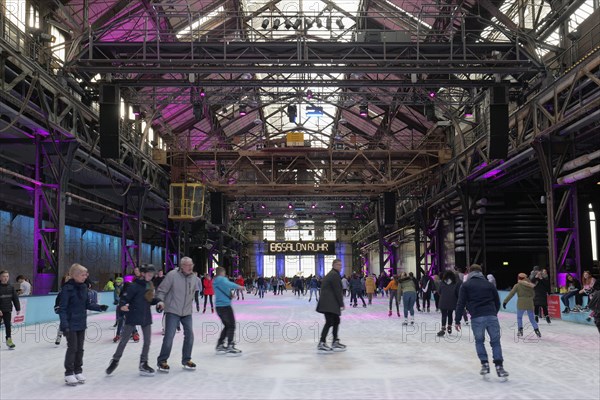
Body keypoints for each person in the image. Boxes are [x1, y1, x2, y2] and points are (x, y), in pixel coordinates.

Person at [58, 263, 109, 385]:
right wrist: (64, 325)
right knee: (72, 348)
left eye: (86, 275)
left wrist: (99, 307)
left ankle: (78, 370)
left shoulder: (84, 288)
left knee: (80, 349)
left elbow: (87, 304)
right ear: (75, 275)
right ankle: (69, 373)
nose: (85, 277)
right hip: (70, 324)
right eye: (83, 275)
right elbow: (62, 309)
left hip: (81, 322)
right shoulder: (67, 289)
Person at [454, 264, 508, 379]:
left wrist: (457, 320)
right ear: (481, 272)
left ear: (469, 272)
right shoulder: (489, 284)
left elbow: (460, 303)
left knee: (479, 341)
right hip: (491, 316)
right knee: (495, 342)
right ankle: (499, 366)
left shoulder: (466, 285)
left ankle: (485, 365)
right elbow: (497, 301)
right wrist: (493, 313)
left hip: (477, 317)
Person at [106, 264, 160, 376]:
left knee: (147, 341)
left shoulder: (149, 285)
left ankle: (143, 363)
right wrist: (122, 306)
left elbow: (150, 300)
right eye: (149, 274)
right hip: (133, 315)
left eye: (152, 275)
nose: (151, 276)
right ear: (143, 274)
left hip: (145, 315)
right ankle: (115, 360)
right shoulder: (134, 286)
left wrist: (159, 301)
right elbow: (124, 298)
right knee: (124, 340)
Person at [155, 256, 197, 372]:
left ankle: (186, 359)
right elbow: (162, 290)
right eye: (188, 265)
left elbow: (192, 293)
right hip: (173, 310)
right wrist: (160, 301)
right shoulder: (172, 275)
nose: (190, 267)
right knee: (169, 336)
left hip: (187, 312)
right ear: (182, 266)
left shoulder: (193, 277)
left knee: (190, 335)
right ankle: (162, 360)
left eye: (191, 265)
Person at [316, 259, 346, 352]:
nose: (340, 267)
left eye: (341, 265)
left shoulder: (333, 274)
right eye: (338, 265)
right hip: (329, 303)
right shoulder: (334, 275)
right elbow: (337, 290)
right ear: (333, 265)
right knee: (329, 322)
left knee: (336, 320)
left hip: (329, 302)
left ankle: (335, 341)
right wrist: (341, 303)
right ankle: (322, 342)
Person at [213, 267, 244, 355]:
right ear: (222, 272)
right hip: (224, 306)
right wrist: (239, 286)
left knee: (227, 326)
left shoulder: (216, 281)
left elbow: (225, 287)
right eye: (224, 273)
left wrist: (229, 294)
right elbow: (228, 284)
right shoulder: (220, 279)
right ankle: (230, 345)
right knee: (231, 325)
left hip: (219, 306)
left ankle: (220, 345)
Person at [503, 273, 541, 338]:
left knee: (519, 318)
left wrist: (505, 302)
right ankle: (537, 330)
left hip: (521, 303)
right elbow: (533, 294)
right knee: (532, 318)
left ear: (519, 278)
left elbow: (511, 294)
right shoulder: (531, 285)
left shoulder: (517, 285)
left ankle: (520, 330)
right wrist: (530, 298)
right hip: (529, 303)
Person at [0, 270, 20, 349]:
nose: (5, 278)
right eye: (4, 276)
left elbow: (15, 298)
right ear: (0, 277)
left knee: (8, 326)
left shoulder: (11, 287)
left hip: (8, 309)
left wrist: (18, 308)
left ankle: (9, 340)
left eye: (7, 276)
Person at [437, 270, 461, 336]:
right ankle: (449, 327)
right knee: (450, 314)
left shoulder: (442, 282)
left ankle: (443, 328)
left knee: (444, 315)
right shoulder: (455, 283)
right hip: (452, 301)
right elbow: (457, 293)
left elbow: (439, 291)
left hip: (443, 301)